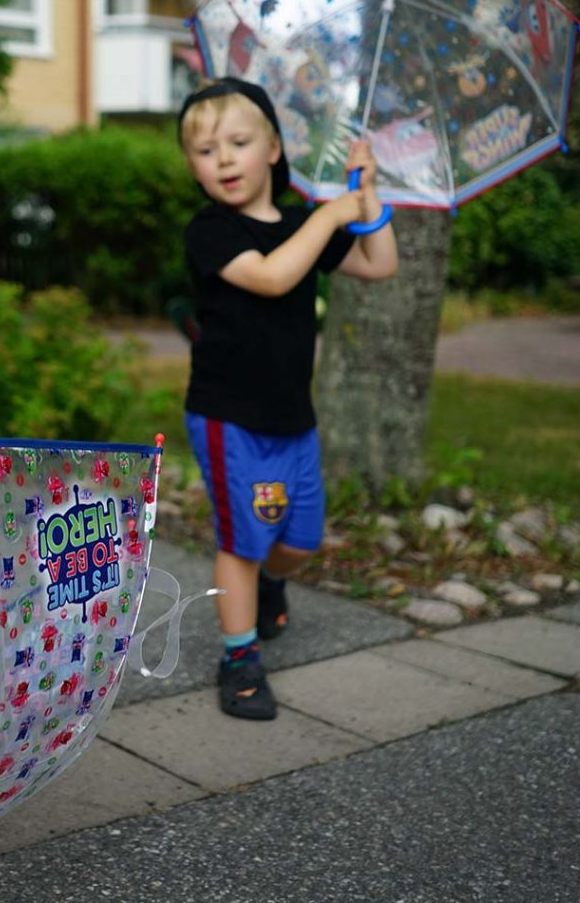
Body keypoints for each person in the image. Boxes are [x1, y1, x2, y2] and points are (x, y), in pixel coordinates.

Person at [177, 76, 398, 721]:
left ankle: (272, 583)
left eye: (239, 143)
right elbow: (272, 277)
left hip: (292, 418)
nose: (223, 159)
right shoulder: (210, 231)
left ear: (273, 147)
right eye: (206, 150)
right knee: (243, 539)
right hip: (229, 418)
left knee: (297, 540)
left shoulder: (303, 223)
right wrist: (332, 213)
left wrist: (367, 198)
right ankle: (239, 656)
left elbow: (378, 264)